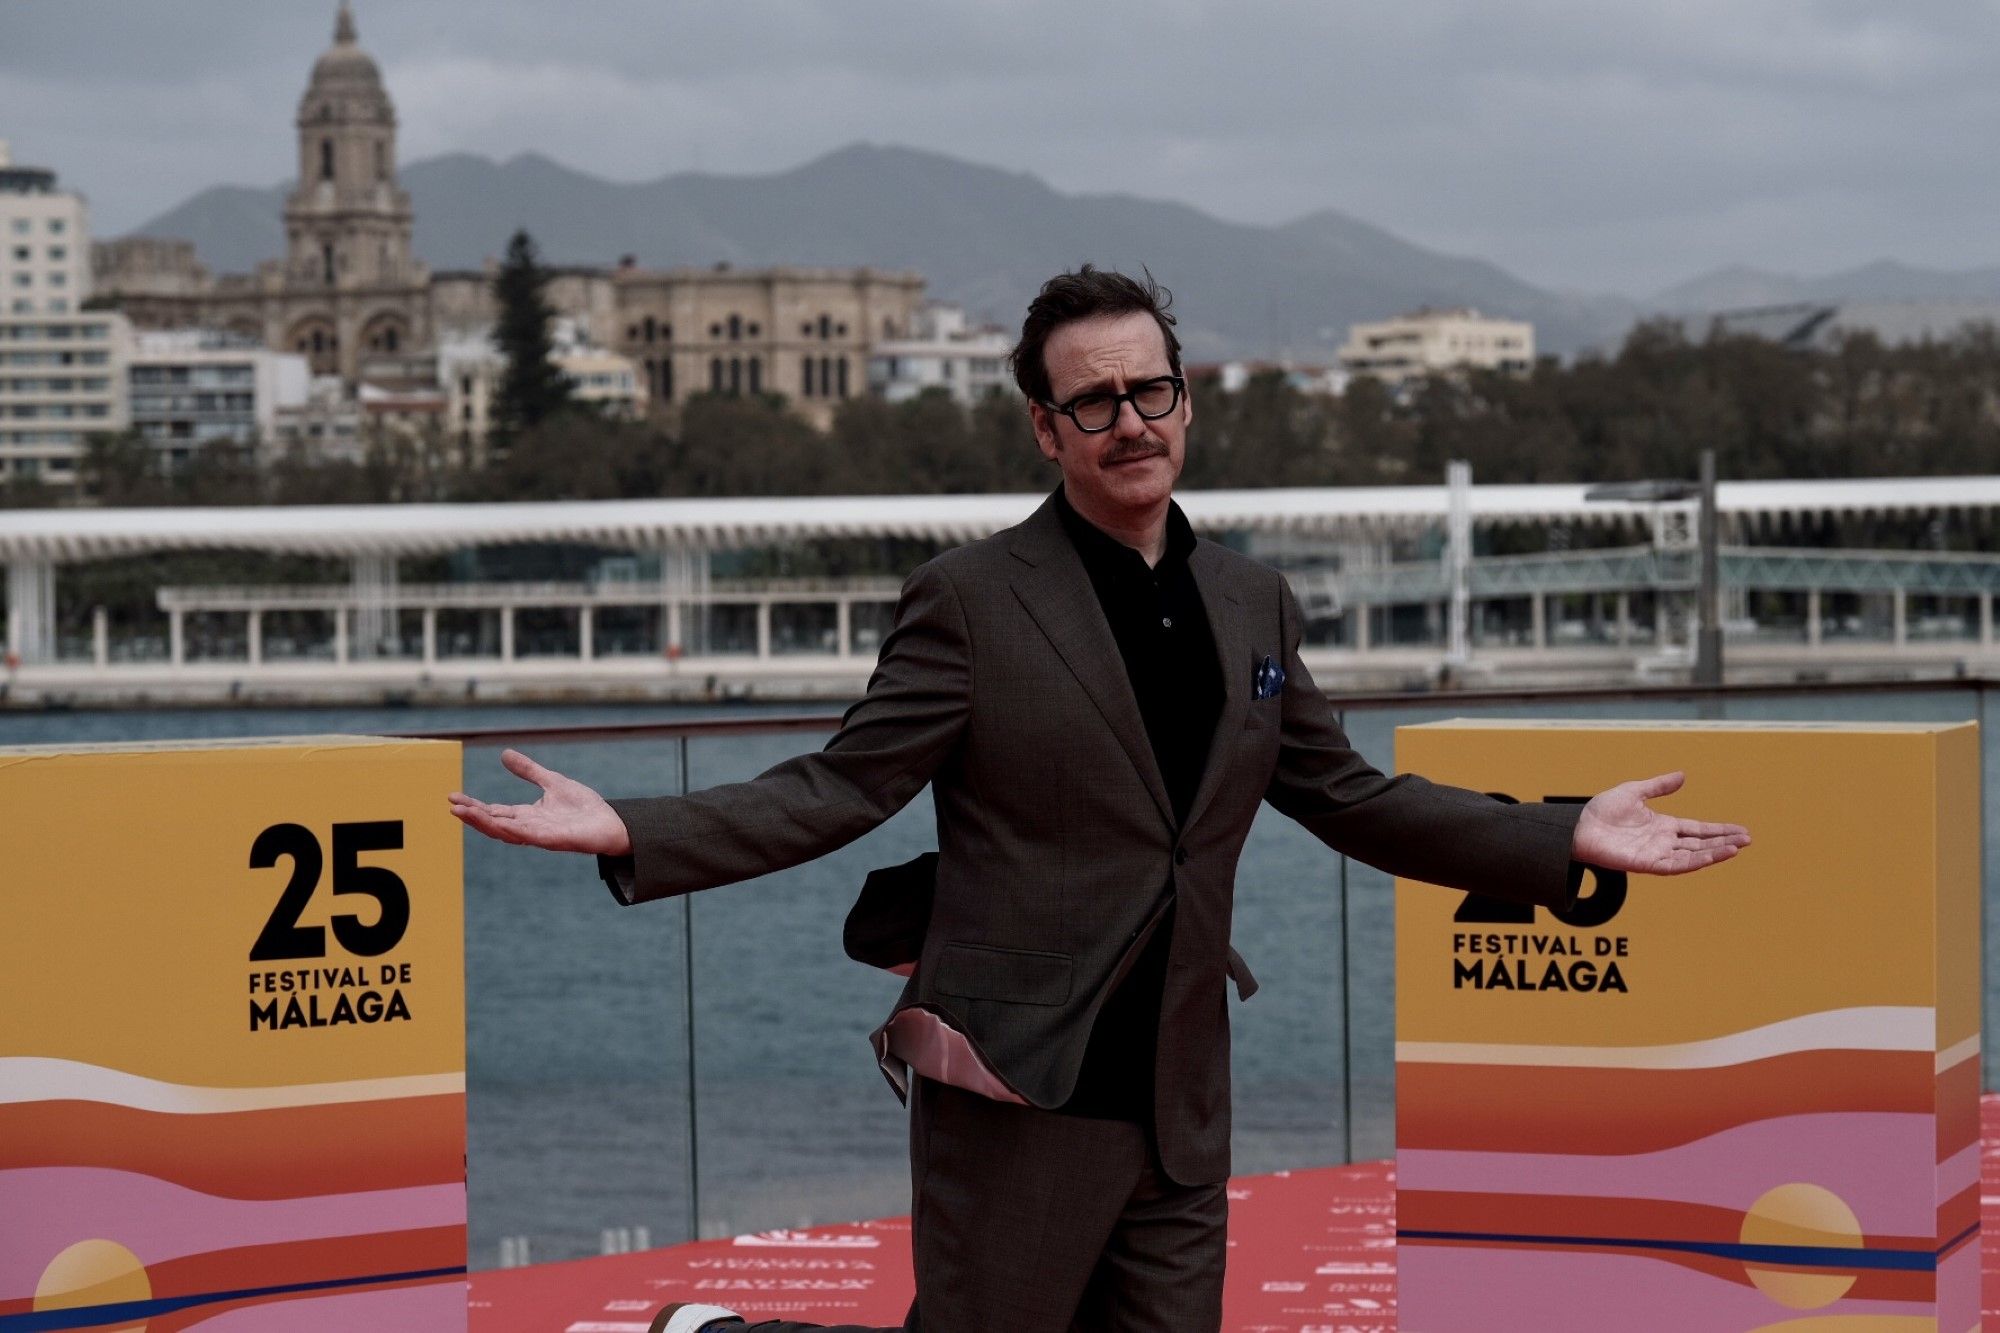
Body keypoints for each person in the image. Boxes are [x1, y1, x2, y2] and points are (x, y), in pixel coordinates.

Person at [449, 266, 1750, 1333]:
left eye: (1152, 390)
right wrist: (636, 824)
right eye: (1095, 401)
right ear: (1044, 426)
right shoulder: (971, 599)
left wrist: (1559, 830)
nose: (1131, 420)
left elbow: (1347, 793)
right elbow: (843, 783)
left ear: (1187, 403)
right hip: (1021, 1080)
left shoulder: (1253, 602)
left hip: (1180, 1089)